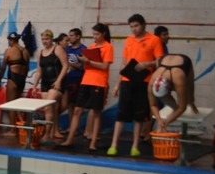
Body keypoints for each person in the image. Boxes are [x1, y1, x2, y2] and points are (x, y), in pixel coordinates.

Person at [107, 14, 164, 156]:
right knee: (121, 114)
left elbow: (160, 61)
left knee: (139, 116)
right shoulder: (129, 41)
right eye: (131, 27)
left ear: (144, 25)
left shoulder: (154, 40)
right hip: (127, 81)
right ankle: (114, 145)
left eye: (136, 26)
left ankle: (135, 146)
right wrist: (117, 84)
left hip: (144, 82)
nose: (134, 29)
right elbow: (124, 63)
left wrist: (147, 64)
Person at [60, 23, 113, 151]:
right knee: (77, 110)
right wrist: (84, 61)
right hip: (86, 80)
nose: (94, 37)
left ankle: (93, 142)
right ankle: (70, 138)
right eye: (93, 34)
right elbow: (86, 66)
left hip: (98, 82)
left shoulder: (108, 47)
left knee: (96, 112)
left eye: (97, 34)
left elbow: (105, 66)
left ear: (103, 34)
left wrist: (89, 61)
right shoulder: (92, 47)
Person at [32, 29, 69, 142]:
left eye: (47, 39)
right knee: (50, 108)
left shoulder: (57, 49)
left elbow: (65, 65)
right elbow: (39, 71)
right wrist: (34, 86)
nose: (45, 41)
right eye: (43, 39)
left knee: (49, 107)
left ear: (52, 39)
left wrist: (58, 81)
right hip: (45, 84)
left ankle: (47, 134)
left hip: (56, 82)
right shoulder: (40, 53)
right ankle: (54, 131)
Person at [148, 54, 198, 132]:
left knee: (189, 90)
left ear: (170, 88)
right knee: (175, 108)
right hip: (164, 60)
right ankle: (174, 110)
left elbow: (182, 108)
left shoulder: (179, 80)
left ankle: (192, 103)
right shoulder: (151, 83)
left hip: (182, 62)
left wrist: (166, 123)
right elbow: (153, 105)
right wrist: (159, 120)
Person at [1, 31, 30, 132]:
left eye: (9, 40)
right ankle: (20, 126)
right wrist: (24, 79)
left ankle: (12, 130)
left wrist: (0, 80)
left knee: (10, 104)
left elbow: (3, 68)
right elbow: (27, 68)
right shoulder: (25, 51)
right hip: (22, 79)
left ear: (11, 40)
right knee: (18, 104)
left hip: (13, 78)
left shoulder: (9, 51)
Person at [61, 28, 87, 132]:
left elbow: (83, 67)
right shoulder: (67, 49)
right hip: (68, 80)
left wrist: (69, 64)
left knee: (77, 105)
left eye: (72, 35)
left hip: (79, 80)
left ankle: (75, 128)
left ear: (78, 36)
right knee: (69, 104)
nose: (69, 38)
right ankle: (71, 128)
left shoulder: (83, 49)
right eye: (69, 35)